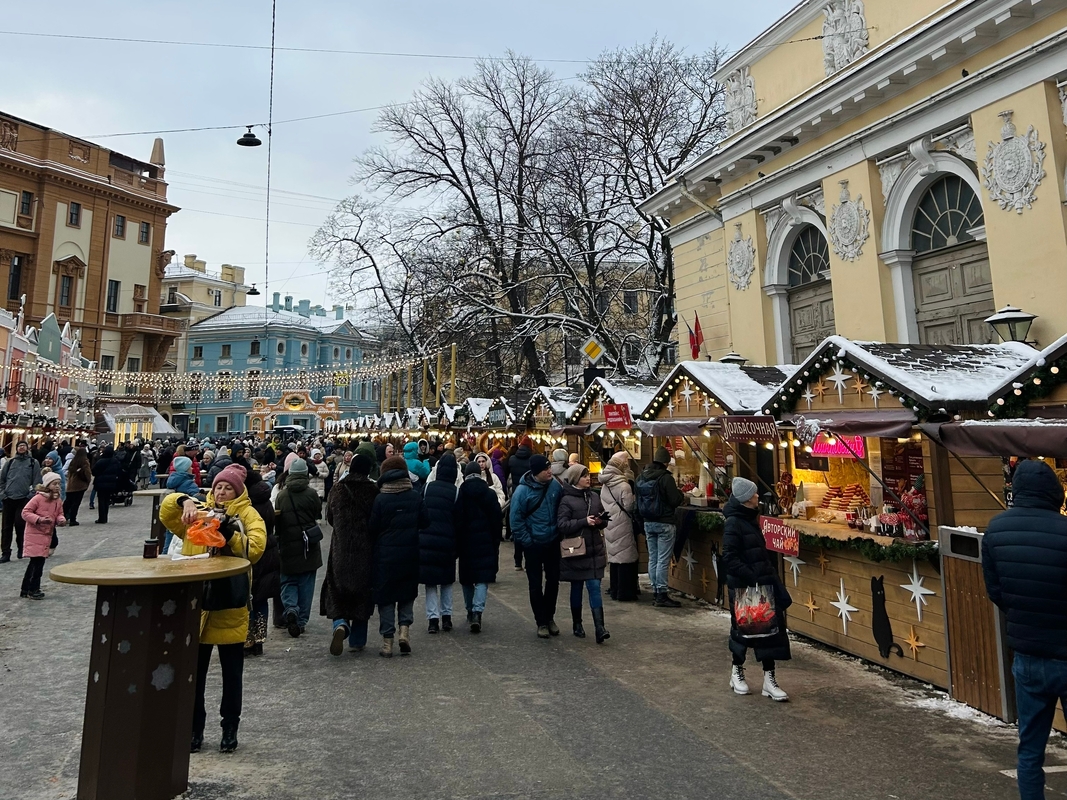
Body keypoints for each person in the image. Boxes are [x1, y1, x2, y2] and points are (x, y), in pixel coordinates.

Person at [160, 464, 266, 753]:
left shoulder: (247, 515)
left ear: (238, 491)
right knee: (194, 674)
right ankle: (195, 729)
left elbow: (255, 549)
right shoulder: (200, 512)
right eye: (218, 486)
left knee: (232, 675)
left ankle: (229, 728)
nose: (221, 491)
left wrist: (231, 533)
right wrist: (183, 500)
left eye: (227, 487)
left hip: (230, 604)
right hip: (200, 602)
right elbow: (167, 513)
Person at [982, 459, 1067, 799]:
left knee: (1030, 749)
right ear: (1054, 492)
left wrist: (1023, 614)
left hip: (1027, 654)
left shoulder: (996, 530)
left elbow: (996, 591)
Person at [722, 477, 790, 702]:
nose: (758, 496)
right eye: (754, 494)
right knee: (742, 631)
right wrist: (751, 577)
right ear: (745, 499)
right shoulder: (734, 522)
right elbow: (729, 558)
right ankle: (736, 672)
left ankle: (769, 680)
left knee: (770, 632)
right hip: (744, 588)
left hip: (762, 585)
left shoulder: (751, 518)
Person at [368, 455, 424, 657]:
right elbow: (425, 522)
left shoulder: (380, 499)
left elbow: (372, 527)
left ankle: (387, 641)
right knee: (406, 593)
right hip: (409, 552)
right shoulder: (415, 496)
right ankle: (404, 631)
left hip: (385, 554)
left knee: (386, 598)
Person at [323, 453, 378, 655]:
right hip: (365, 549)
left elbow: (329, 517)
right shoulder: (373, 490)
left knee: (338, 588)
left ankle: (340, 623)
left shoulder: (338, 489)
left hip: (341, 548)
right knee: (362, 593)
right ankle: (357, 640)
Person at [509, 454, 563, 638]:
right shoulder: (522, 492)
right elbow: (515, 520)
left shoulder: (555, 485)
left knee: (554, 581)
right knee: (535, 584)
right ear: (536, 472)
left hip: (553, 540)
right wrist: (528, 541)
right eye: (546, 469)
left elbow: (561, 509)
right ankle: (541, 621)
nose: (550, 471)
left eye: (549, 468)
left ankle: (550, 617)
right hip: (533, 544)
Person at [557, 464, 610, 643]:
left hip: (594, 550)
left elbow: (603, 519)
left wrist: (601, 521)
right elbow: (562, 525)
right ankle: (577, 623)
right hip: (577, 551)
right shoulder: (566, 500)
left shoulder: (594, 497)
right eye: (584, 476)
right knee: (577, 587)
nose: (588, 478)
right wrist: (583, 521)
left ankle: (600, 627)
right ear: (575, 479)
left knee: (594, 587)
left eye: (588, 475)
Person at [274, 458, 323, 638]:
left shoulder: (282, 495)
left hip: (287, 543)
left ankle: (291, 608)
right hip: (308, 544)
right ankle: (301, 621)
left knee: (288, 581)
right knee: (306, 584)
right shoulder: (312, 494)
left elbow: (277, 522)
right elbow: (317, 514)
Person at [454, 460, 502, 633]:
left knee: (467, 579)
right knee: (482, 578)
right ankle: (477, 612)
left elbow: (457, 519)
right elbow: (497, 518)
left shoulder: (461, 492)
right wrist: (495, 539)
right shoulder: (489, 493)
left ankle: (469, 610)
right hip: (485, 541)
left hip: (466, 541)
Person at [635, 447, 686, 608]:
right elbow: (674, 500)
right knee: (663, 560)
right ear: (665, 462)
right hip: (665, 522)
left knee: (654, 558)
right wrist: (681, 495)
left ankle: (656, 590)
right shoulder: (666, 478)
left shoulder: (641, 477)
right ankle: (662, 594)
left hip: (648, 522)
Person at [420, 454, 458, 634]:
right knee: (447, 581)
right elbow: (459, 520)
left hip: (427, 540)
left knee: (430, 583)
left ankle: (432, 619)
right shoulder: (456, 491)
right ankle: (447, 617)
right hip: (448, 542)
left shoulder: (427, 488)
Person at [599, 451, 640, 602]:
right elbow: (629, 506)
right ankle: (625, 592)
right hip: (622, 522)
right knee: (625, 557)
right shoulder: (623, 484)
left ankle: (615, 589)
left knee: (615, 556)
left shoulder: (605, 483)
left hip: (609, 522)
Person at [244, 469, 277, 657]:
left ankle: (248, 640)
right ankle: (260, 639)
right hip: (269, 551)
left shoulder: (248, 505)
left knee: (247, 598)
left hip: (251, 552)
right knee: (261, 598)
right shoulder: (266, 500)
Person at [19, 471, 65, 599]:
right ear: (47, 484)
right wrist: (39, 519)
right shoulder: (38, 498)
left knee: (35, 563)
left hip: (46, 535)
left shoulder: (57, 499)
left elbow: (59, 513)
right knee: (37, 564)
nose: (57, 486)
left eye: (58, 484)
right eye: (54, 483)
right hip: (35, 534)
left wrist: (60, 519)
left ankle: (26, 588)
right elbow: (25, 512)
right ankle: (33, 589)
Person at [1, 441, 43, 561]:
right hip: (8, 498)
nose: (21, 448)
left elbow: (37, 481)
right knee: (6, 527)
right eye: (19, 446)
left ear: (27, 448)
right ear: (16, 448)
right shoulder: (10, 463)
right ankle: (6, 552)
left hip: (24, 499)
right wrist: (3, 494)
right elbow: (2, 480)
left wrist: (30, 495)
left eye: (23, 446)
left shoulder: (32, 462)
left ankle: (21, 548)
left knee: (21, 525)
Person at [508, 437, 535, 571]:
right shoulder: (533, 460)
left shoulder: (512, 459)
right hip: (531, 495)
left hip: (516, 494)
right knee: (531, 526)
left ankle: (517, 561)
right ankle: (531, 560)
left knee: (518, 527)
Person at [63, 445, 92, 527]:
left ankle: (62, 517)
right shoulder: (84, 462)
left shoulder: (73, 461)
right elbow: (87, 473)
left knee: (67, 502)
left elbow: (68, 471)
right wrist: (87, 482)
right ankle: (73, 519)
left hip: (71, 485)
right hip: (80, 485)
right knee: (76, 503)